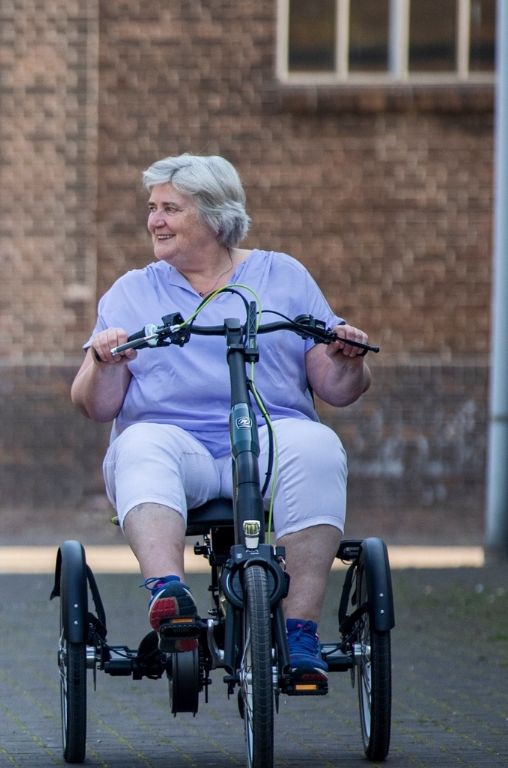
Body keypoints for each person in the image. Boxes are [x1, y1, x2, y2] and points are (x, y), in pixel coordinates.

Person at [72, 153, 372, 693]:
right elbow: (93, 405)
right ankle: (170, 598)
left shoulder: (282, 276)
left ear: (214, 215)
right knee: (140, 443)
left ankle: (300, 631)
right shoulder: (133, 292)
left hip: (265, 439)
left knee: (318, 445)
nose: (154, 221)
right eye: (152, 208)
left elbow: (336, 389)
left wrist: (348, 360)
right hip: (177, 448)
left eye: (170, 208)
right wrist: (102, 363)